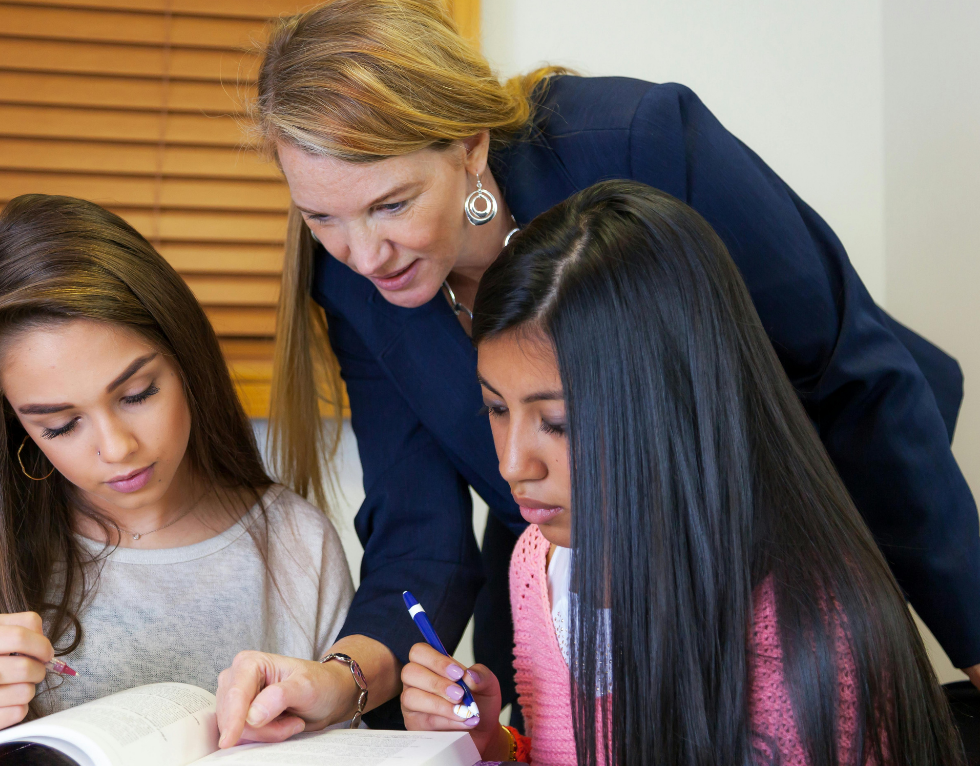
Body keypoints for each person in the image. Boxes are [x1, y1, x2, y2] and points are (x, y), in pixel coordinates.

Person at [213, 0, 980, 742]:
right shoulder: (348, 278)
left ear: (470, 146)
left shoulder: (637, 143)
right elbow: (419, 533)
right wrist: (340, 678)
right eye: (321, 217)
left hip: (772, 532)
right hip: (567, 588)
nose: (363, 254)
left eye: (392, 204)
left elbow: (851, 384)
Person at [399, 180, 965, 766]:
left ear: (673, 406)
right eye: (496, 409)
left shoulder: (805, 639)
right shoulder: (537, 564)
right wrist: (489, 744)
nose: (513, 463)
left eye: (561, 424)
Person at [0, 195, 353, 764]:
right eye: (60, 425)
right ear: (17, 426)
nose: (117, 448)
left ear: (187, 361)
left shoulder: (297, 545)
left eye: (138, 394)